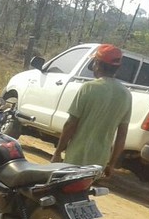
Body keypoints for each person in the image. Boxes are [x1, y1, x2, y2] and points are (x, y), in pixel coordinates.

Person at [50, 44, 131, 178]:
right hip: (99, 163)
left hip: (76, 157)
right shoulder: (126, 95)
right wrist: (111, 164)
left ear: (97, 64)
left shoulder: (88, 88)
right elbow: (122, 136)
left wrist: (58, 152)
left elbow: (71, 124)